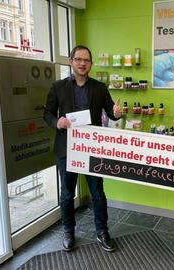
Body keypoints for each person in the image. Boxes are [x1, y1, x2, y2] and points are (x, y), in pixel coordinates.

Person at [43, 45, 122, 252]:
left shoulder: (100, 88)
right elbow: (48, 114)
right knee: (67, 194)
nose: (82, 63)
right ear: (71, 61)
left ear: (91, 64)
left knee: (97, 192)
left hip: (92, 148)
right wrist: (57, 122)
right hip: (66, 148)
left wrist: (117, 113)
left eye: (86, 60)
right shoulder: (57, 87)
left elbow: (111, 113)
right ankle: (68, 231)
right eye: (78, 59)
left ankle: (102, 231)